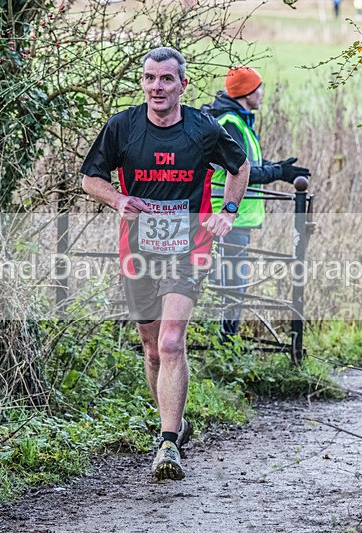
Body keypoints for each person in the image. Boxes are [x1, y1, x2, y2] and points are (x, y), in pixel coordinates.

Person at [80, 47, 250, 480]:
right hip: (137, 249)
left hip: (188, 246)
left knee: (173, 341)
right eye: (150, 78)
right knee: (153, 349)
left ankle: (168, 442)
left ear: (182, 85)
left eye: (167, 79)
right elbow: (89, 179)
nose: (158, 86)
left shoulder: (203, 128)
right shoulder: (123, 127)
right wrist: (118, 199)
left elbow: (239, 165)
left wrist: (227, 210)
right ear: (143, 82)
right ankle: (173, 424)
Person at [202, 66, 310, 338]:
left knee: (231, 285)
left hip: (233, 217)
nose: (262, 93)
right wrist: (279, 173)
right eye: (258, 87)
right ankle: (224, 349)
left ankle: (224, 346)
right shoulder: (230, 123)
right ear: (246, 92)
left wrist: (279, 169)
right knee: (230, 287)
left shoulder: (237, 121)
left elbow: (248, 166)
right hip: (225, 217)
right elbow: (239, 171)